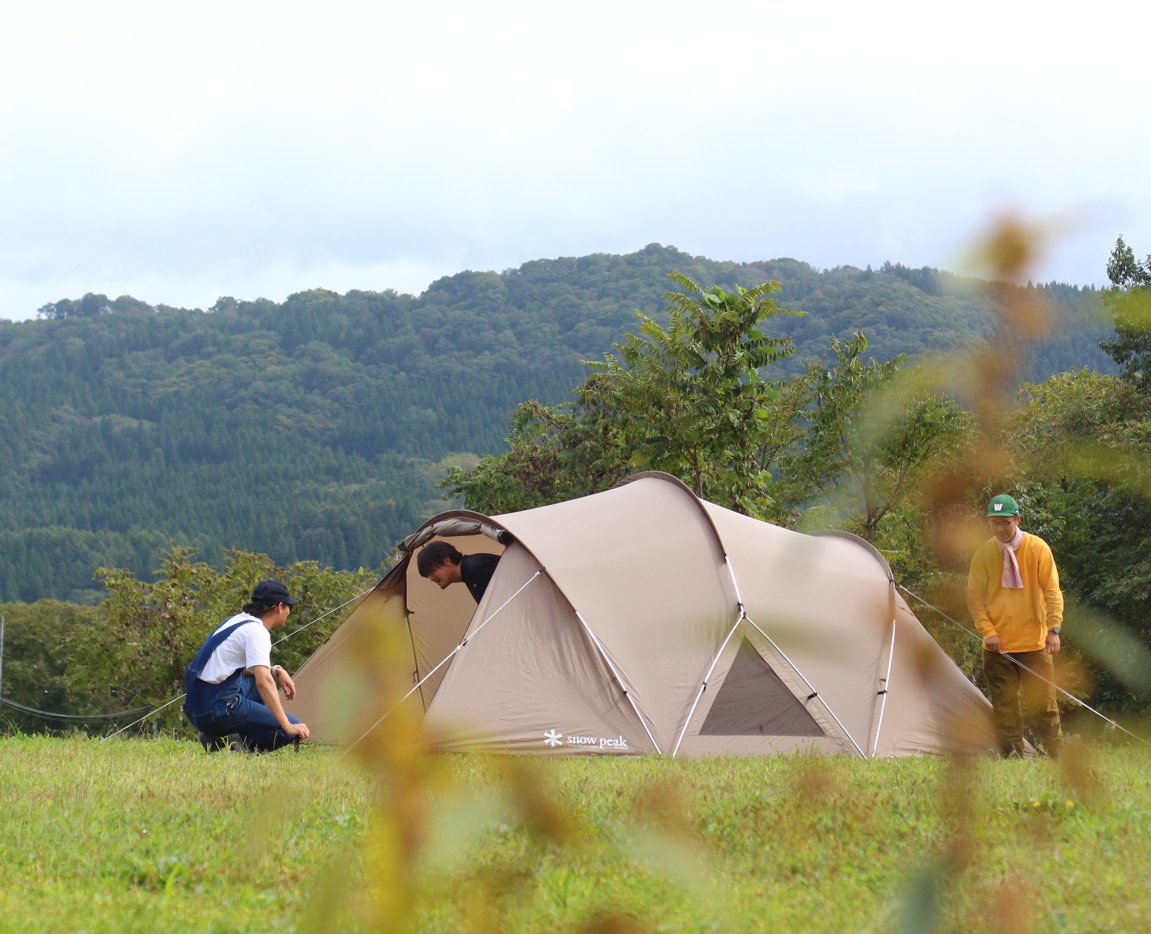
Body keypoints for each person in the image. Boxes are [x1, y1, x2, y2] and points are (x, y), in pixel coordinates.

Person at [967, 494, 1064, 758]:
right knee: (1005, 705)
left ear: (1017, 519)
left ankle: (1056, 753)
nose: (1000, 528)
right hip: (997, 646)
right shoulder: (984, 553)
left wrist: (1053, 629)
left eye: (1006, 523)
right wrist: (988, 632)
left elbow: (1053, 591)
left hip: (1035, 643)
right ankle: (1013, 754)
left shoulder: (1037, 548)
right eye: (994, 523)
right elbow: (974, 598)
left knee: (1044, 703)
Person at [184, 579, 310, 753]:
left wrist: (276, 670)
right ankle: (230, 745)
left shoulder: (239, 621)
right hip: (214, 710)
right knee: (291, 727)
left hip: (197, 707)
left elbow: (249, 671)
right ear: (279, 607)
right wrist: (287, 725)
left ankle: (224, 737)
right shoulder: (257, 633)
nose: (289, 612)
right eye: (290, 607)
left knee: (264, 694)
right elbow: (263, 681)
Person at [417, 540, 501, 603]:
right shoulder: (469, 572)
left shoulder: (476, 567)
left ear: (447, 561)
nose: (431, 579)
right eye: (428, 575)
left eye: (432, 571)